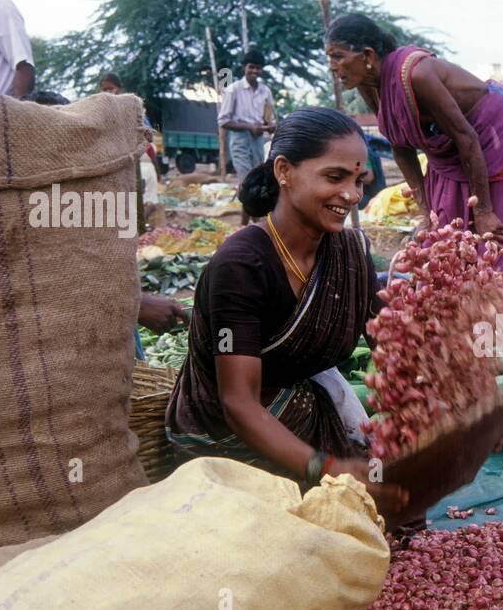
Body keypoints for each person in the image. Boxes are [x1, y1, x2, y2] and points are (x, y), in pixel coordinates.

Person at [165, 107, 405, 516]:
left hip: (307, 417)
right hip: (229, 442)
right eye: (334, 177)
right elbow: (238, 403)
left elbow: (388, 348)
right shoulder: (240, 266)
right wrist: (326, 468)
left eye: (358, 181)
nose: (350, 195)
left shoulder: (351, 252)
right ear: (284, 170)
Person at [326, 13, 503, 270]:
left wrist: (483, 211)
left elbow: (466, 137)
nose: (331, 66)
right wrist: (424, 213)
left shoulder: (417, 75)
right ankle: (457, 296)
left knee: (495, 236)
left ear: (368, 56)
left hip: (489, 133)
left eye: (337, 56)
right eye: (329, 58)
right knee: (442, 230)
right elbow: (400, 146)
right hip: (448, 147)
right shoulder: (369, 84)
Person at [218, 50, 277, 226]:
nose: (254, 71)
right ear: (244, 67)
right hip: (240, 139)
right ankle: (256, 224)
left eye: (258, 68)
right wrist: (250, 127)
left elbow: (269, 117)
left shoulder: (265, 91)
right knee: (246, 182)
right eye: (251, 67)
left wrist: (271, 125)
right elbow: (223, 121)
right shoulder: (233, 89)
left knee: (257, 182)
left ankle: (244, 226)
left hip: (258, 140)